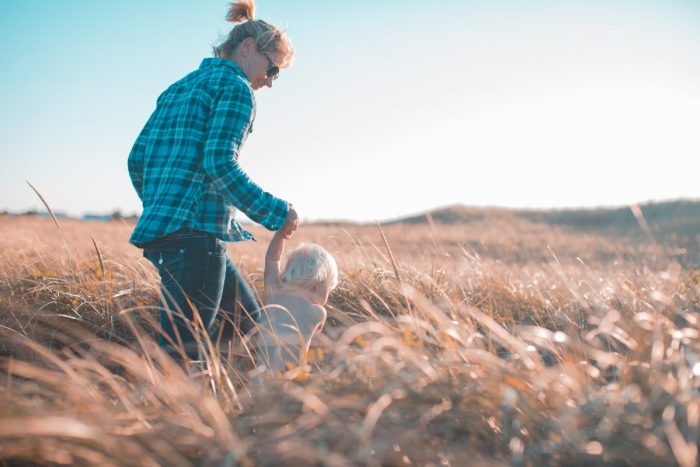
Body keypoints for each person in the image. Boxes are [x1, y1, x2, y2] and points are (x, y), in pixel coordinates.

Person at [127, 0, 298, 361]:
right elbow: (219, 163)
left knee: (251, 330)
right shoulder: (237, 89)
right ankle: (169, 415)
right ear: (248, 48)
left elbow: (137, 160)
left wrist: (164, 207)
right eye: (273, 70)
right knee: (182, 356)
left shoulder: (179, 87)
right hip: (195, 238)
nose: (269, 82)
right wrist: (276, 212)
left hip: (168, 234)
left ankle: (255, 411)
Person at [257, 223, 338, 372]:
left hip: (259, 376)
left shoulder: (274, 293)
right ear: (318, 285)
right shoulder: (318, 312)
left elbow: (272, 260)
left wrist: (281, 234)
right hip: (290, 379)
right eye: (329, 287)